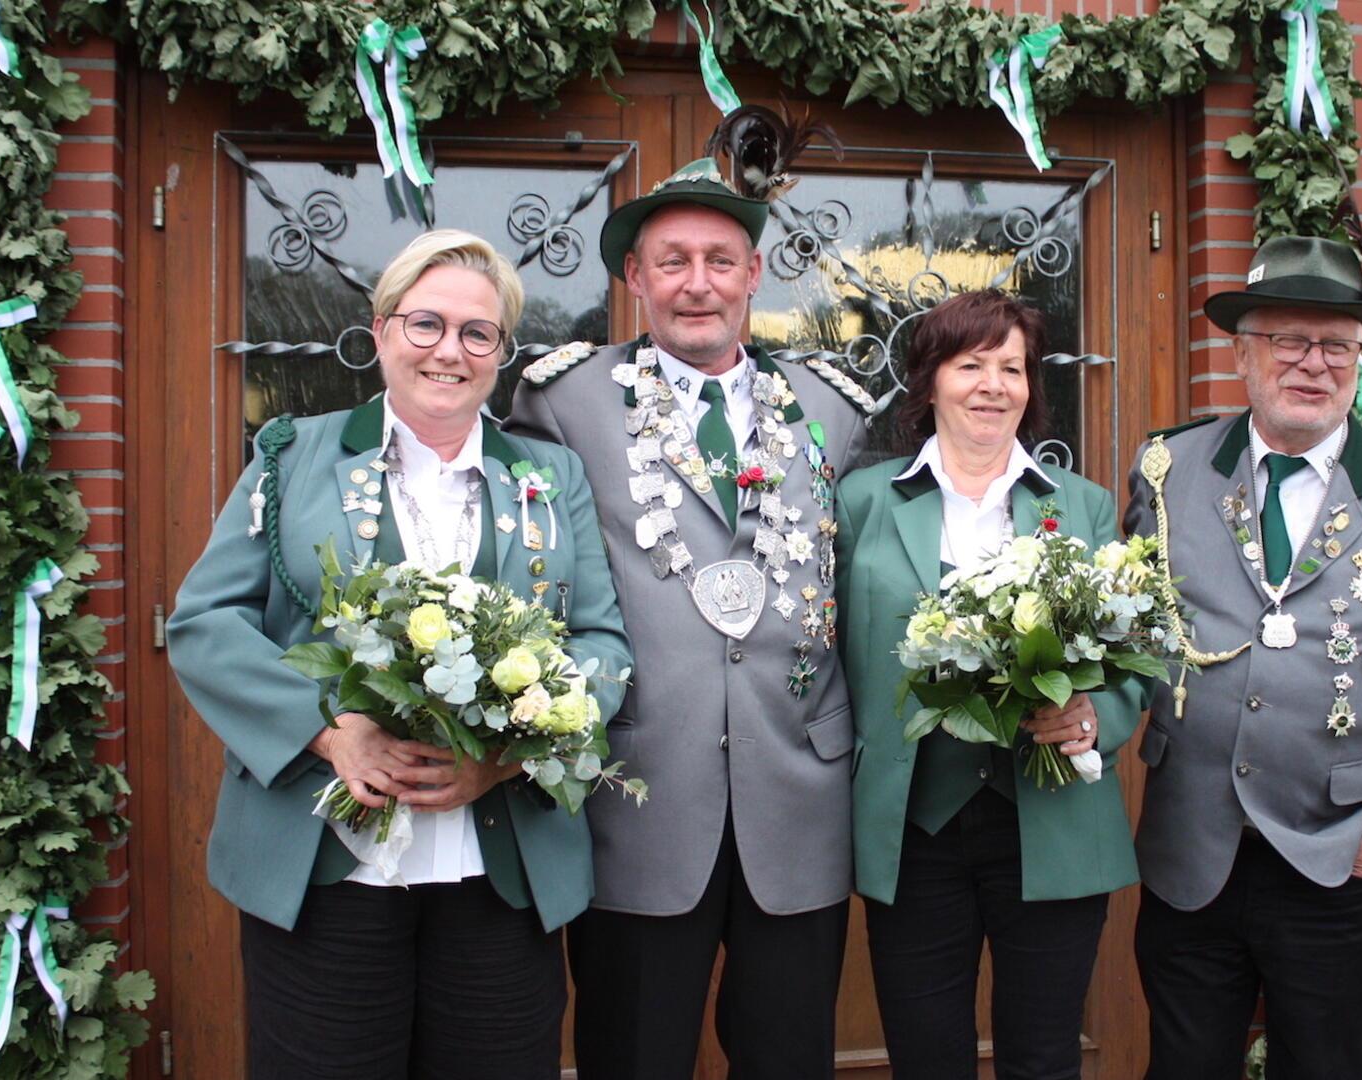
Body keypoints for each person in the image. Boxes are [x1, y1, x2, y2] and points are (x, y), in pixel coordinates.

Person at [167, 229, 630, 1079]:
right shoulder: (289, 456)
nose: (449, 351)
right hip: (324, 875)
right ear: (381, 333)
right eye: (426, 325)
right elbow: (204, 624)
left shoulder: (551, 475)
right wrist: (330, 730)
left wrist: (511, 752)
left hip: (501, 873)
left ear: (499, 354)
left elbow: (601, 642)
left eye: (476, 333)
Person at [504, 157, 874, 1079]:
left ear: (754, 274)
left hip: (800, 799)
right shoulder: (562, 399)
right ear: (633, 279)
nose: (696, 284)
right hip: (638, 794)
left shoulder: (835, 405)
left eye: (719, 259)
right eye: (671, 262)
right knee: (633, 1057)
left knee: (790, 1058)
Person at [1123, 236, 1362, 1079]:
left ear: (1359, 361)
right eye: (1289, 341)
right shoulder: (1168, 471)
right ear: (1244, 353)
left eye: (1336, 345)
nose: (1312, 364)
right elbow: (1132, 641)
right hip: (1190, 851)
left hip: (1335, 858)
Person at [834, 289, 1143, 1080]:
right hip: (915, 827)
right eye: (971, 364)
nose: (993, 385)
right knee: (925, 1056)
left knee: (1043, 1056)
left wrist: (1094, 715)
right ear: (929, 379)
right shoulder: (863, 503)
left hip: (1052, 824)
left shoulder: (1084, 507)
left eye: (1012, 367)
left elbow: (1140, 656)